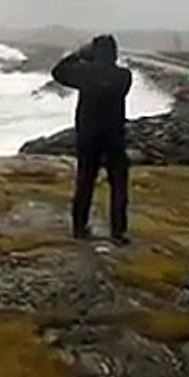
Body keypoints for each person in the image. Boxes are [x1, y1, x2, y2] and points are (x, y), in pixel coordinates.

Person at [51, 34, 133, 244]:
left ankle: (79, 227)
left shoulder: (84, 73)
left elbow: (57, 72)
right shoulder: (124, 76)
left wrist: (79, 54)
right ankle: (118, 231)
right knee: (119, 185)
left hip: (88, 136)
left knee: (85, 181)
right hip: (114, 137)